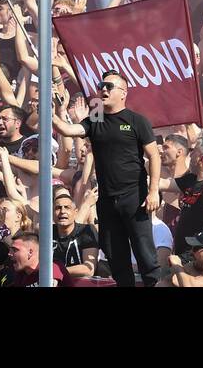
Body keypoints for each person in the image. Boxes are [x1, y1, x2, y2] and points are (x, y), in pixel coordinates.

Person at [52, 70, 160, 286]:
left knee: (145, 252)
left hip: (134, 197)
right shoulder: (96, 118)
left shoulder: (136, 120)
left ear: (123, 93)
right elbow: (66, 129)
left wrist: (154, 190)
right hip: (107, 200)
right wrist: (57, 109)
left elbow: (154, 155)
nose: (103, 90)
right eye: (101, 86)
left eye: (109, 86)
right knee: (115, 255)